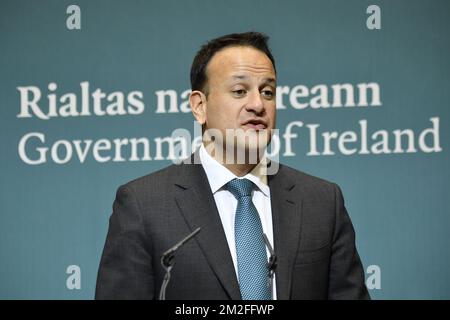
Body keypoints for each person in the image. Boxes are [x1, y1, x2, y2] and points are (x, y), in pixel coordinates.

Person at [95, 31, 370, 300]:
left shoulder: (322, 202)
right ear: (199, 106)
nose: (258, 104)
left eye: (268, 91)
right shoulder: (144, 205)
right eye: (240, 91)